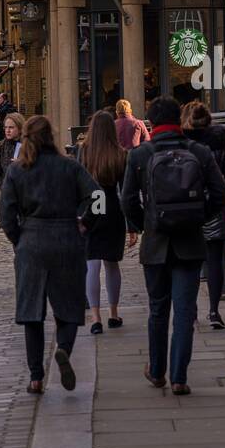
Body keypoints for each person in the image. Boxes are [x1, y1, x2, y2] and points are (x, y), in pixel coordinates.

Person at [120, 95, 225, 395]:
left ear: (152, 123)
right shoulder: (199, 152)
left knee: (157, 310)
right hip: (190, 243)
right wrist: (198, 217)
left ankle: (157, 372)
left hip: (155, 244)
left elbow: (127, 200)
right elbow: (221, 194)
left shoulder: (140, 155)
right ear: (179, 121)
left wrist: (145, 224)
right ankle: (179, 377)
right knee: (184, 311)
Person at [0, 116, 96, 394]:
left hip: (32, 242)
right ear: (50, 136)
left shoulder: (17, 171)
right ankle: (63, 348)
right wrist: (85, 223)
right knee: (68, 306)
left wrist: (19, 239)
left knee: (32, 312)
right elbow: (97, 197)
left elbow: (6, 215)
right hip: (66, 238)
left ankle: (36, 377)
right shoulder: (69, 166)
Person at [181, 100, 225, 328]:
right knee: (215, 261)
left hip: (187, 210)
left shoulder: (181, 144)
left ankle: (192, 312)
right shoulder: (219, 143)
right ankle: (214, 312)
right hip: (215, 209)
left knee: (191, 263)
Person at [79, 112, 136, 334]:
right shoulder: (121, 154)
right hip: (112, 209)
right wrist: (132, 225)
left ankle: (95, 317)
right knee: (112, 264)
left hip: (91, 208)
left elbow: (78, 182)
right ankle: (113, 313)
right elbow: (127, 192)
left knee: (91, 265)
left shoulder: (84, 151)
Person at [0, 112, 24, 189]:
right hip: (7, 193)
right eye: (6, 127)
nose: (7, 130)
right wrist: (5, 188)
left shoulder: (28, 145)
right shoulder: (1, 146)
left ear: (20, 128)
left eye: (11, 127)